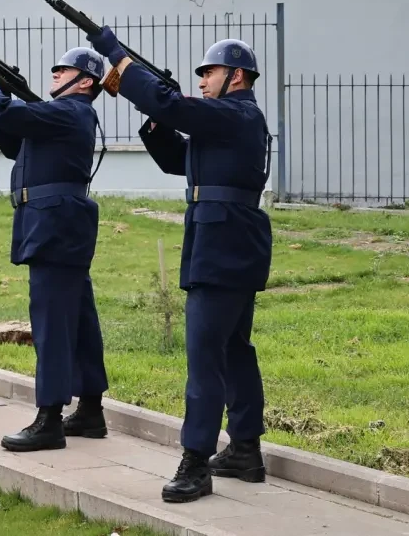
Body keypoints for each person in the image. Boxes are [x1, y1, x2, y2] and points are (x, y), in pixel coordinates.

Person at [89, 30, 272, 504]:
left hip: (224, 246)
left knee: (206, 356)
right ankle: (245, 450)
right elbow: (177, 159)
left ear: (237, 76)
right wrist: (153, 110)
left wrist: (118, 58)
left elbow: (176, 107)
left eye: (209, 72)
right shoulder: (227, 123)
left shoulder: (238, 113)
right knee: (233, 348)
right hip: (223, 243)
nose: (204, 80)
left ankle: (196, 462)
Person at [0, 45, 111, 452]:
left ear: (85, 81)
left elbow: (3, 114)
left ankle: (49, 418)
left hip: (54, 226)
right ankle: (90, 408)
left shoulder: (71, 111)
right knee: (78, 319)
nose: (54, 73)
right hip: (56, 224)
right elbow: (13, 139)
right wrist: (1, 94)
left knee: (50, 323)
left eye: (64, 70)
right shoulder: (58, 115)